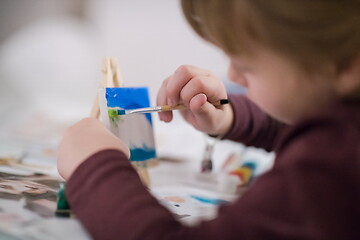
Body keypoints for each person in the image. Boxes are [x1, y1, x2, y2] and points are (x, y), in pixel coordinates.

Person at [57, 0, 360, 239]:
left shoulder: (327, 172)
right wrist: (229, 117)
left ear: (346, 65)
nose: (232, 75)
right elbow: (304, 128)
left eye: (246, 64)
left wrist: (95, 167)